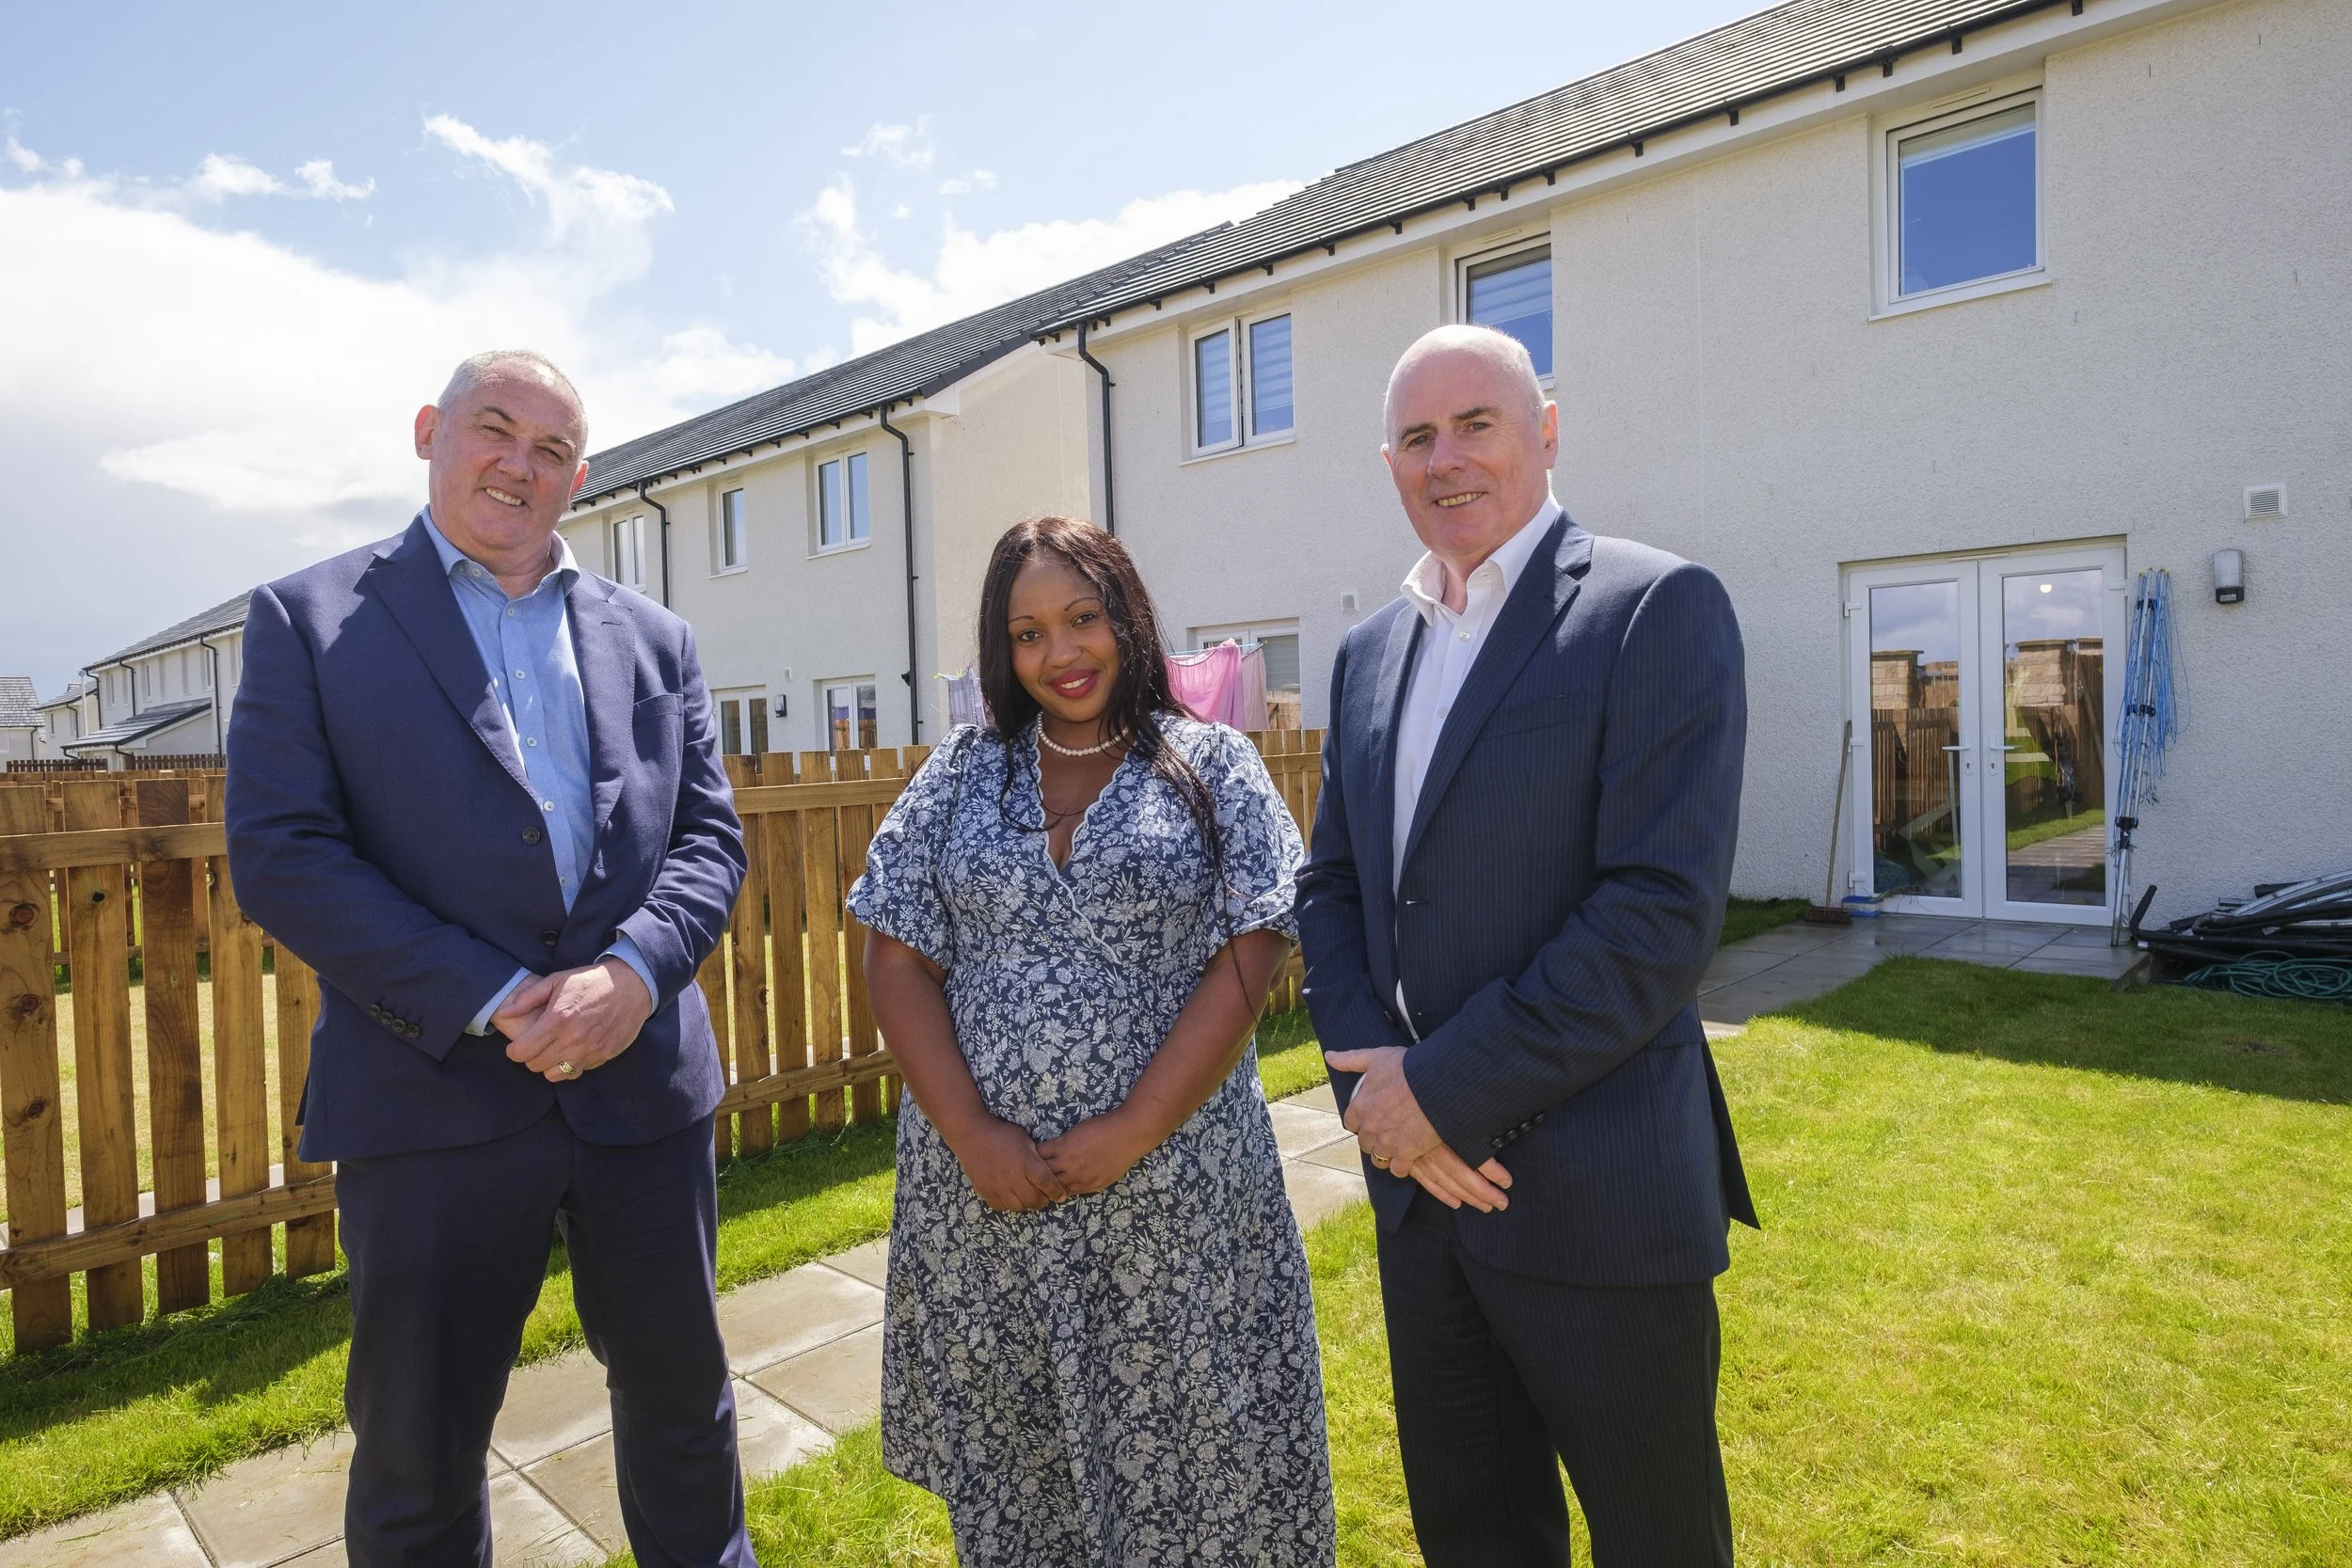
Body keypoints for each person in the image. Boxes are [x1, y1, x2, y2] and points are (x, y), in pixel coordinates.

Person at [226, 350, 754, 1568]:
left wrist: (630, 974)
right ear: (429, 431)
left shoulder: (657, 637)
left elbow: (708, 838)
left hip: (643, 1093)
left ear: (581, 477)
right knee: (418, 1455)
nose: (521, 464)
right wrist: (495, 993)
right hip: (431, 1105)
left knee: (684, 1414)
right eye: (496, 429)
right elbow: (284, 854)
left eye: (554, 448)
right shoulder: (308, 620)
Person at [1296, 325, 1757, 1568]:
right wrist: (1373, 1091)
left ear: (1545, 430)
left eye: (1476, 424)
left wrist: (1434, 1091)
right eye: (1415, 436)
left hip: (1601, 1200)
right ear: (1388, 459)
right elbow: (1331, 886)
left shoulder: (1653, 607)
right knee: (1475, 1536)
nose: (1445, 459)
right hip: (1425, 1213)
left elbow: (1656, 917)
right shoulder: (1364, 654)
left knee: (1659, 1539)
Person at [850, 516, 1335, 1566]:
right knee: (1022, 1473)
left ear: (1126, 614)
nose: (1060, 653)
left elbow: (1255, 942)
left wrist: (1134, 1125)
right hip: (986, 1204)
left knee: (1202, 1455)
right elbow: (895, 954)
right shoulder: (963, 771)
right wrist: (972, 1130)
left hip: (1175, 1196)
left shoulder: (1213, 762)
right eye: (1027, 633)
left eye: (1082, 618)